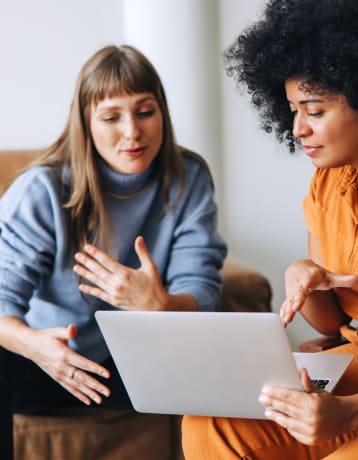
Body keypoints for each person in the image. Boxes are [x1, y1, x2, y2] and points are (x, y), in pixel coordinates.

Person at [182, 0, 358, 458]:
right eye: (292, 109)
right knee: (216, 422)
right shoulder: (328, 184)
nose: (297, 128)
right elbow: (331, 322)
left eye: (314, 110)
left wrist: (349, 414)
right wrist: (304, 276)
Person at [0, 44, 227, 458]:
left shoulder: (188, 177)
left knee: (231, 364)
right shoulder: (43, 189)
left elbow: (202, 290)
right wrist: (35, 346)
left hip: (135, 365)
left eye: (145, 111)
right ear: (86, 124)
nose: (132, 132)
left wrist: (158, 304)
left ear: (162, 113)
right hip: (47, 358)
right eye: (111, 117)